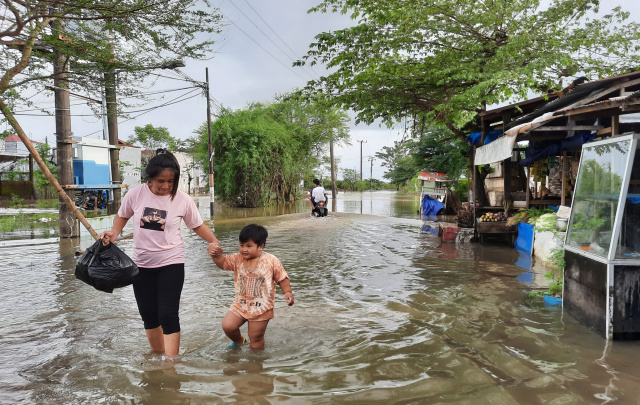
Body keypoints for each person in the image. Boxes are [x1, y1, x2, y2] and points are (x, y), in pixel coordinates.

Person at [100, 148, 220, 358]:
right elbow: (122, 215)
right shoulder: (136, 194)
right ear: (149, 178)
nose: (166, 186)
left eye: (170, 182)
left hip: (171, 262)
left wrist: (213, 240)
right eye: (160, 181)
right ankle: (157, 354)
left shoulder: (183, 200)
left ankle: (171, 362)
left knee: (168, 313)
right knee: (148, 314)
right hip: (141, 264)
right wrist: (115, 232)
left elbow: (197, 225)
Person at [207, 224, 294, 350]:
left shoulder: (271, 260)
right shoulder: (238, 258)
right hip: (241, 303)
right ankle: (239, 341)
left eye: (249, 246)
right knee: (228, 326)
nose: (244, 249)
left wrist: (287, 292)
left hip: (261, 307)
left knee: (256, 338)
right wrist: (216, 256)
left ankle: (255, 363)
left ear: (260, 247)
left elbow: (282, 277)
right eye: (241, 245)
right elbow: (223, 263)